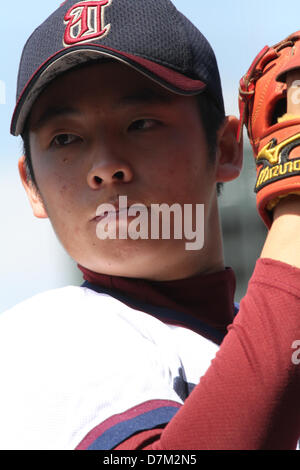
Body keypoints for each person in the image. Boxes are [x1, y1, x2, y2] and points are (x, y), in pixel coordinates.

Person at [0, 0, 299, 450]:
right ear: (32, 186)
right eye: (65, 138)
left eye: (140, 124)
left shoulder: (269, 336)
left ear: (226, 147)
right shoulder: (41, 336)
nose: (105, 166)